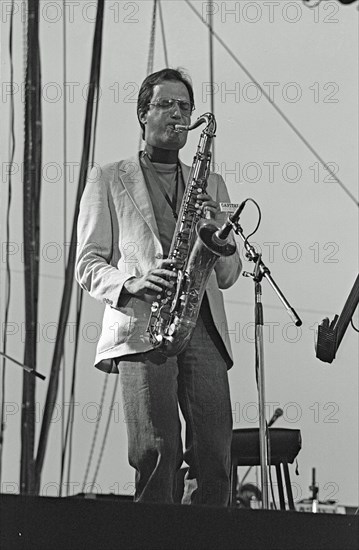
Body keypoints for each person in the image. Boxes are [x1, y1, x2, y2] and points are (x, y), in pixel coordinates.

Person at [76, 68, 242, 506]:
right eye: (166, 104)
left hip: (202, 326)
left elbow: (228, 275)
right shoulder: (107, 177)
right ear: (141, 114)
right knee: (156, 452)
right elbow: (87, 263)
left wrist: (221, 227)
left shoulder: (214, 184)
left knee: (214, 451)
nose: (178, 114)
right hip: (144, 326)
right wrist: (133, 282)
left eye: (184, 106)